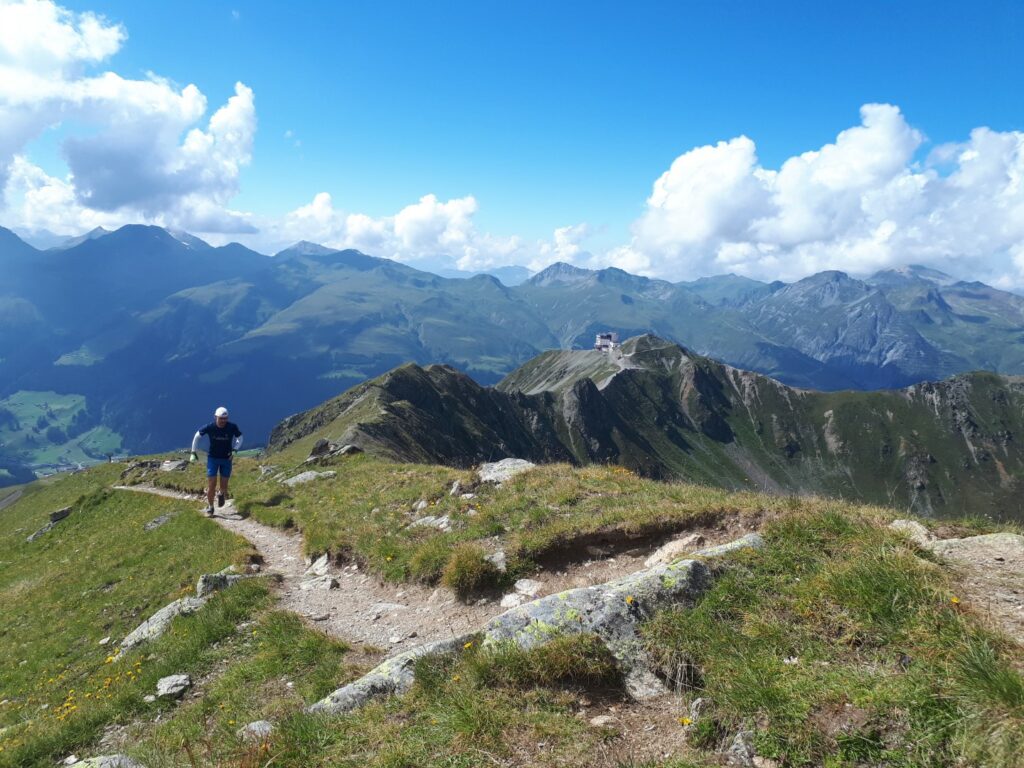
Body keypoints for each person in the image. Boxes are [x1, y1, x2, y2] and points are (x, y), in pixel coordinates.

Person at [190, 406, 243, 516]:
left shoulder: (232, 427)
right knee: (211, 485)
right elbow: (197, 436)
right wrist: (193, 452)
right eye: (221, 418)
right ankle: (210, 507)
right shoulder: (210, 427)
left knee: (224, 486)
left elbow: (240, 437)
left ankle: (221, 494)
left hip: (227, 459)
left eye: (225, 418)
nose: (223, 421)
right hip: (213, 459)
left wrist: (235, 450)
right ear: (215, 417)